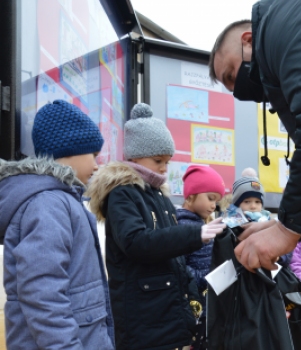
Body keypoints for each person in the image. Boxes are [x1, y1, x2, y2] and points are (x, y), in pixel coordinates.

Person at [209, 2, 301, 272]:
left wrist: (287, 230)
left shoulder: (285, 20)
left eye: (231, 74)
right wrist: (287, 221)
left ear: (248, 41)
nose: (237, 90)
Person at [86, 103, 226, 350]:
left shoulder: (159, 196)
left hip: (166, 315)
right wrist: (195, 234)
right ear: (134, 156)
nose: (163, 168)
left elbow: (177, 261)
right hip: (143, 320)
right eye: (158, 160)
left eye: (167, 162)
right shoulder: (122, 193)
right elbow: (136, 242)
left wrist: (192, 300)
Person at [0, 100, 115, 349]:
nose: (97, 165)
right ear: (68, 152)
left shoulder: (62, 200)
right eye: (93, 154)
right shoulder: (48, 204)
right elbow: (43, 294)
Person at [176, 165, 226, 350]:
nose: (214, 205)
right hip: (193, 303)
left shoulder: (201, 224)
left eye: (217, 201)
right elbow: (179, 265)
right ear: (191, 195)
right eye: (210, 198)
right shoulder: (182, 226)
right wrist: (204, 279)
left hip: (207, 301)